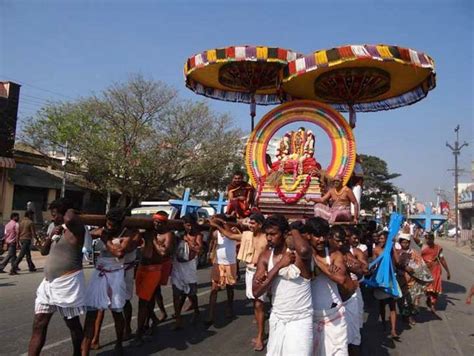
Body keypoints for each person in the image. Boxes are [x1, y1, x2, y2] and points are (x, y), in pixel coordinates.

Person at [28, 199, 85, 356]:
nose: (52, 218)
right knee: (39, 323)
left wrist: (70, 209)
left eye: (55, 214)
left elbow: (70, 218)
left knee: (72, 324)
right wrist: (51, 235)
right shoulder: (55, 228)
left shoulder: (77, 228)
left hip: (67, 283)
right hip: (48, 284)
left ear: (66, 212)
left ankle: (77, 353)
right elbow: (44, 252)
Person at [253, 214, 314, 356]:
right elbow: (256, 292)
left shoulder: (298, 255)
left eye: (273, 234)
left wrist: (293, 229)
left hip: (301, 318)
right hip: (277, 317)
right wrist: (278, 267)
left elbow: (305, 250)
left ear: (284, 234)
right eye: (267, 234)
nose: (269, 238)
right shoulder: (266, 256)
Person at [82, 207, 140, 356]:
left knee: (117, 309)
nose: (109, 227)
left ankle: (120, 342)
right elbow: (87, 234)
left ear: (121, 224)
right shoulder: (103, 230)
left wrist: (105, 238)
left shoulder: (128, 235)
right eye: (108, 224)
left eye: (113, 225)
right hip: (100, 272)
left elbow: (119, 252)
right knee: (93, 309)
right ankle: (88, 346)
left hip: (118, 273)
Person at [306, 218, 352, 356]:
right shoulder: (303, 255)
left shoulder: (334, 254)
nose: (320, 239)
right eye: (316, 235)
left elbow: (340, 278)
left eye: (323, 235)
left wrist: (318, 263)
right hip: (310, 317)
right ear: (308, 235)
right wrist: (328, 269)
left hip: (334, 317)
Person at [132, 211, 174, 345]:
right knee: (146, 300)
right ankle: (151, 322)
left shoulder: (168, 235)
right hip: (141, 267)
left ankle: (139, 333)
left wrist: (153, 239)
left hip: (154, 269)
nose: (156, 224)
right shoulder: (148, 232)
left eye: (160, 222)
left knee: (143, 302)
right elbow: (135, 242)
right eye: (155, 222)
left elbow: (163, 252)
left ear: (165, 223)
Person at [330, 227, 365, 356]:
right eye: (338, 240)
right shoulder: (324, 254)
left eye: (343, 240)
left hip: (349, 299)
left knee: (353, 338)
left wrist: (354, 269)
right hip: (332, 304)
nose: (341, 244)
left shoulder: (347, 252)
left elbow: (361, 272)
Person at [206, 214, 239, 326]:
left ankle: (229, 307)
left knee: (230, 288)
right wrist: (211, 226)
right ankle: (210, 314)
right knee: (214, 288)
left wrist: (220, 223)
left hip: (230, 263)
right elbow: (210, 240)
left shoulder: (233, 230)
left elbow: (230, 235)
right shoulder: (216, 233)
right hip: (218, 263)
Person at [171, 214, 203, 329]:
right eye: (187, 225)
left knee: (191, 293)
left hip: (189, 266)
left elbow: (198, 249)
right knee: (176, 293)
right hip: (177, 266)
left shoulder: (197, 235)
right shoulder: (178, 235)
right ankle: (178, 319)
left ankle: (196, 310)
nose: (189, 228)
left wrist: (188, 241)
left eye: (191, 225)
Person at [395, 234, 432, 325]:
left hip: (413, 279)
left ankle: (411, 317)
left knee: (412, 299)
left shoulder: (414, 252)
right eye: (403, 242)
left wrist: (412, 269)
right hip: (401, 279)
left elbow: (420, 264)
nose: (405, 244)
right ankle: (404, 315)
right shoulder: (397, 253)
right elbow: (395, 264)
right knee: (402, 299)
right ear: (400, 243)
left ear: (409, 243)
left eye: (406, 242)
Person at [373, 232, 399, 339]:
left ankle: (393, 329)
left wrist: (393, 248)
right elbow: (374, 263)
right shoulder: (376, 250)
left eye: (383, 238)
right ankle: (383, 322)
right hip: (381, 279)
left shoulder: (391, 249)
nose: (381, 240)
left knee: (393, 305)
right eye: (380, 238)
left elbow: (397, 261)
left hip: (391, 278)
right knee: (382, 304)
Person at [421, 233, 451, 315]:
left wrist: (448, 271)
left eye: (430, 239)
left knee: (435, 288)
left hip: (436, 269)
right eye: (427, 239)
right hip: (425, 269)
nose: (429, 240)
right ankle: (429, 299)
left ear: (433, 239)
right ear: (425, 239)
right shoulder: (422, 246)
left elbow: (442, 259)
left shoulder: (438, 248)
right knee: (428, 287)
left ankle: (433, 304)